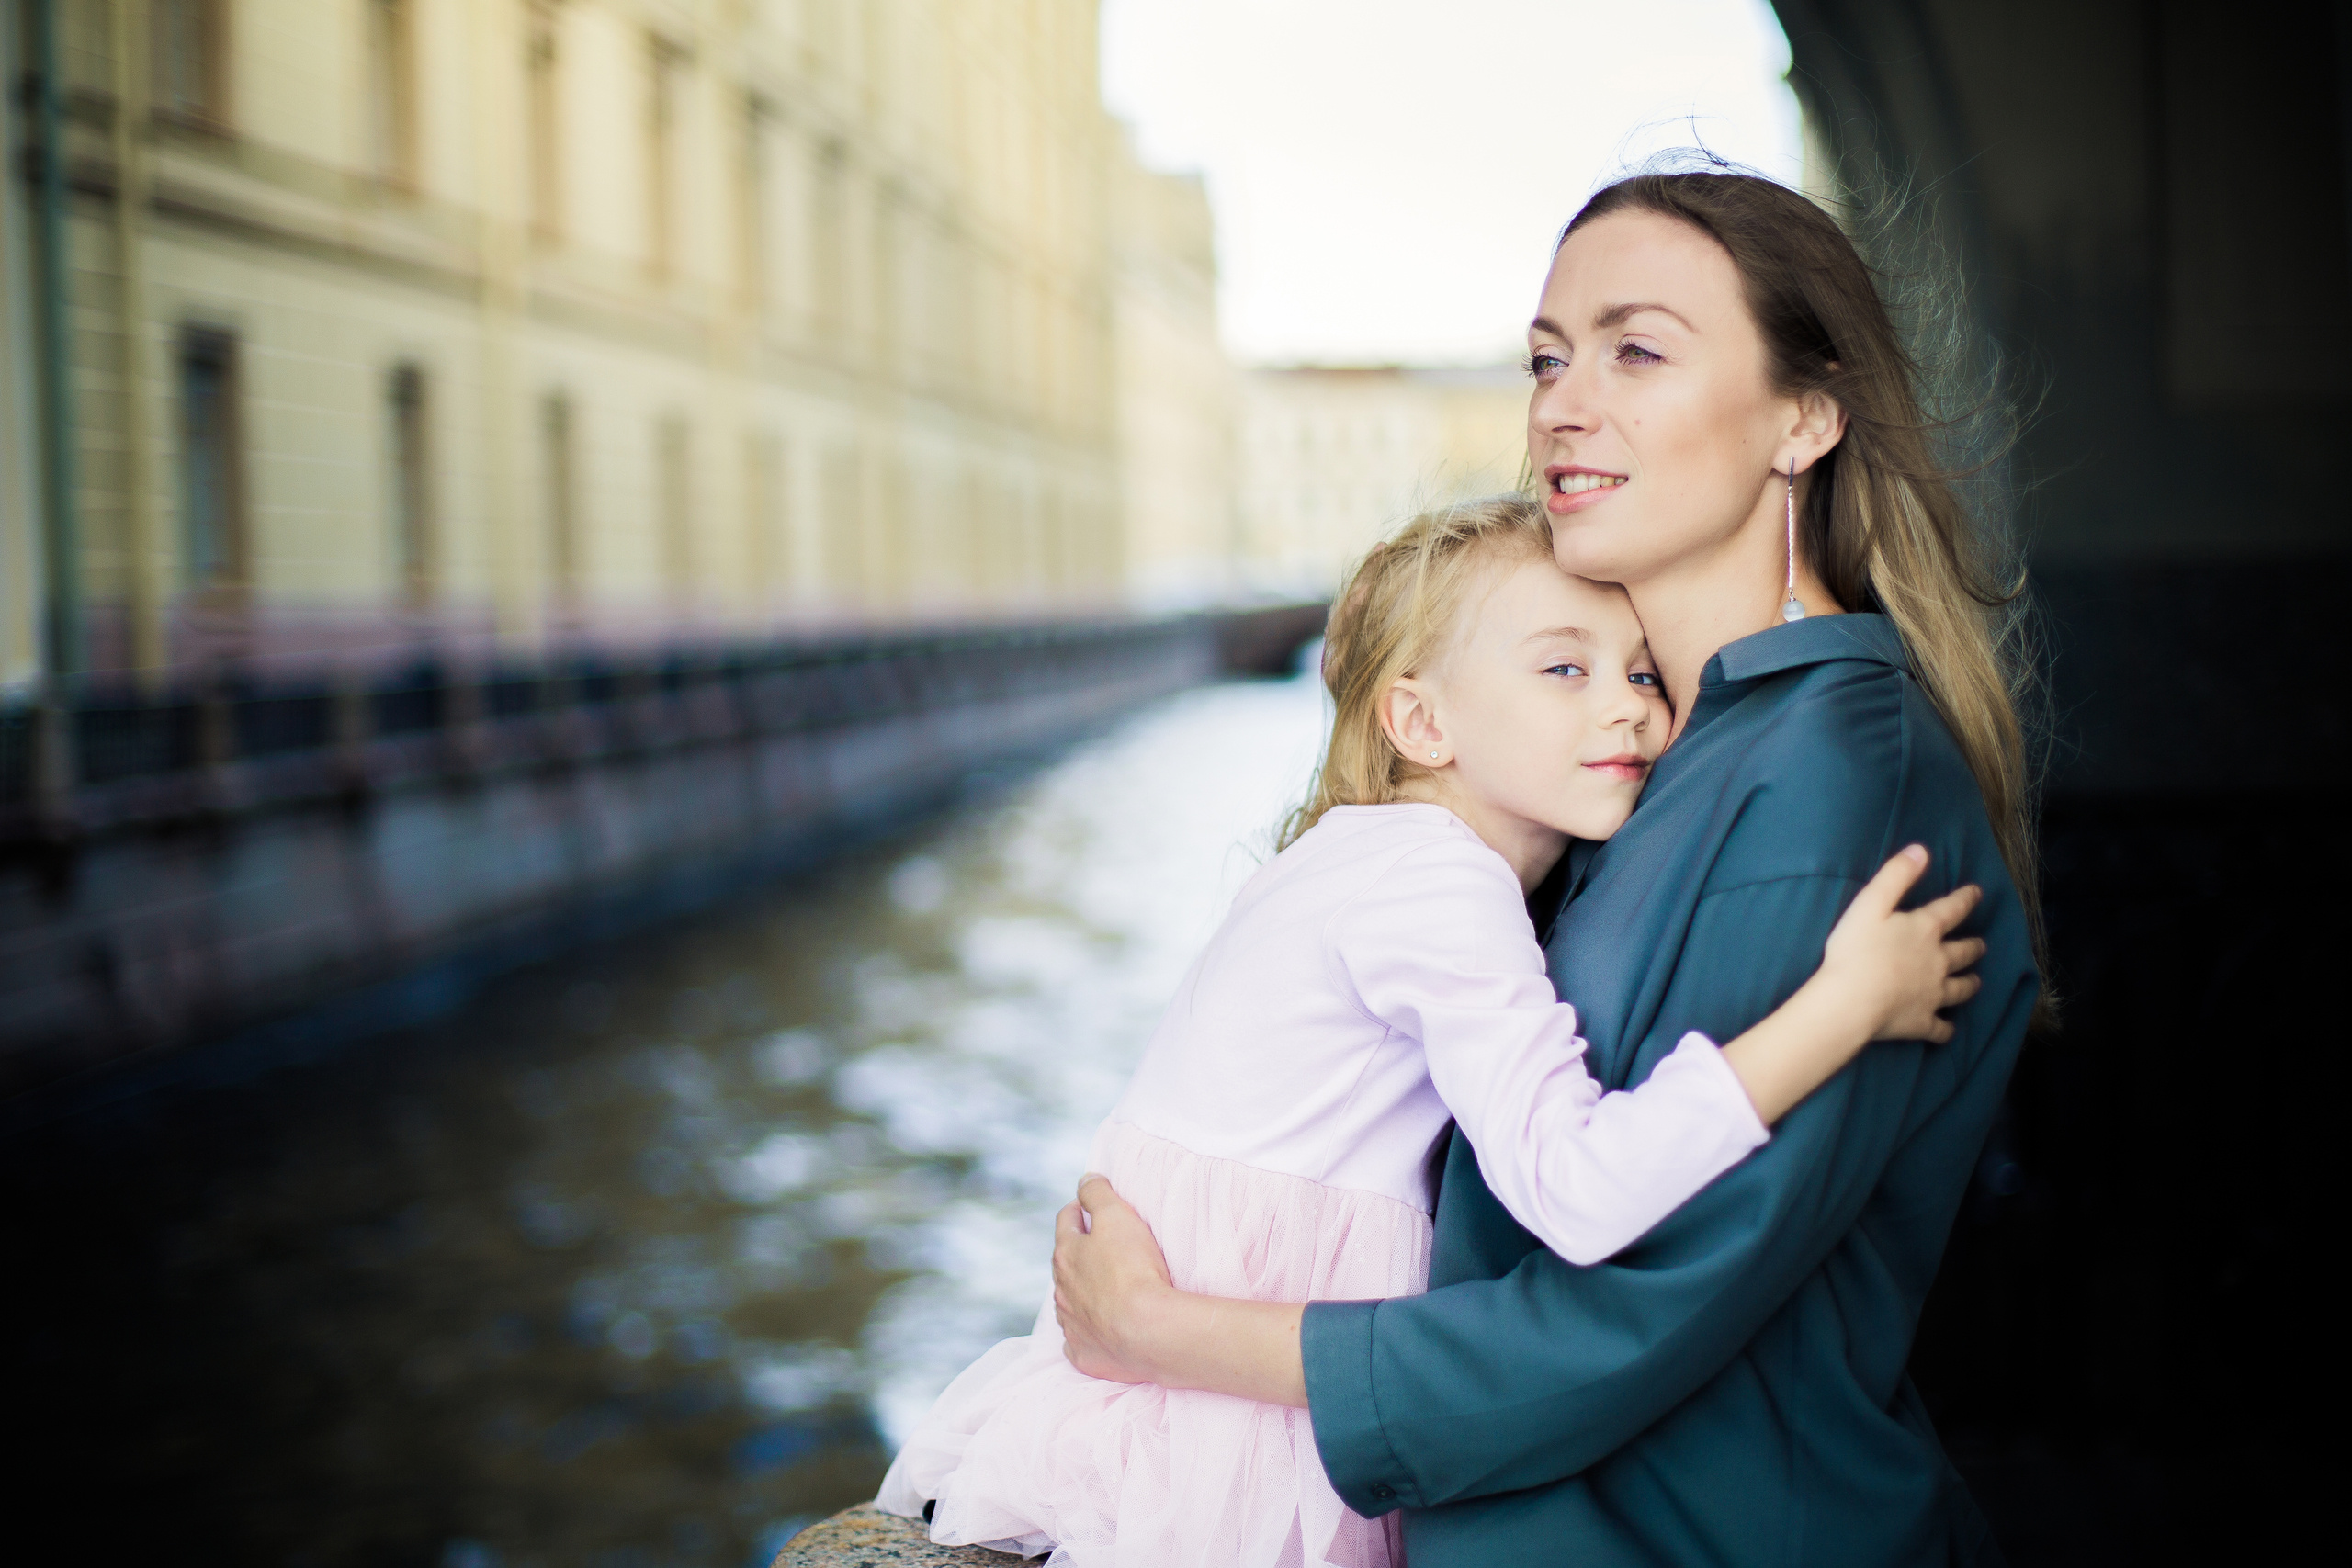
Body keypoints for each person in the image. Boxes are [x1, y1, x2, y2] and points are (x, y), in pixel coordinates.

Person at [1052, 170, 2042, 1567]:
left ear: (1805, 418)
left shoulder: (1820, 788)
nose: (1563, 404)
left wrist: (1165, 1332)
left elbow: (1623, 1309)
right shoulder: (1657, 756)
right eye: (1546, 357)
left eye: (1637, 349)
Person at [877, 493, 1985, 1567]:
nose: (1631, 708)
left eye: (1641, 669)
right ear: (1419, 720)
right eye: (1564, 668)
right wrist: (1841, 1009)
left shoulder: (1368, 855)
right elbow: (1579, 1186)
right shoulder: (1432, 883)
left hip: (1194, 1386)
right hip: (1227, 1438)